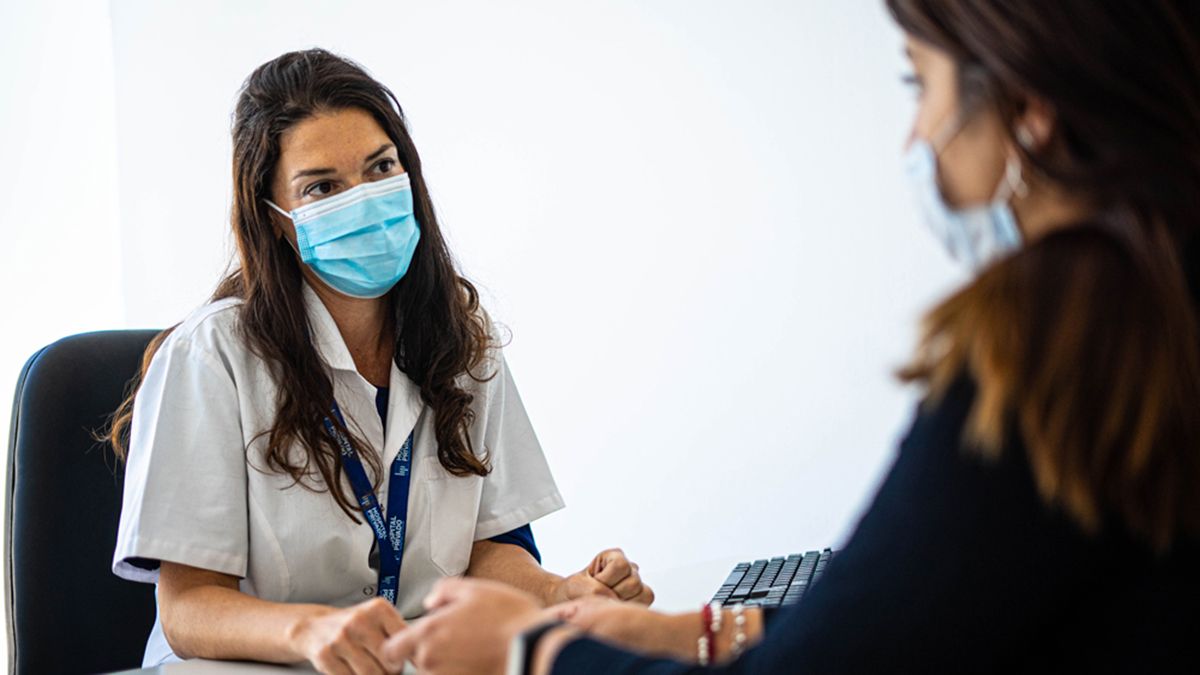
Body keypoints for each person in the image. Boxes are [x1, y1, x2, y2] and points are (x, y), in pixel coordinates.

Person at [379, 1, 1200, 673]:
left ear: (1030, 112)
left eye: (923, 87)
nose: (918, 138)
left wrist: (534, 653)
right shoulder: (1160, 307)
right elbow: (903, 627)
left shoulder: (1057, 343)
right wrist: (687, 634)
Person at [108, 49, 653, 672]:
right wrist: (311, 632)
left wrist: (564, 593)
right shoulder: (212, 357)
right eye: (323, 187)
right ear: (276, 219)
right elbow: (187, 611)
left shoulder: (462, 338)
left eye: (380, 168)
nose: (362, 201)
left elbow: (488, 551)